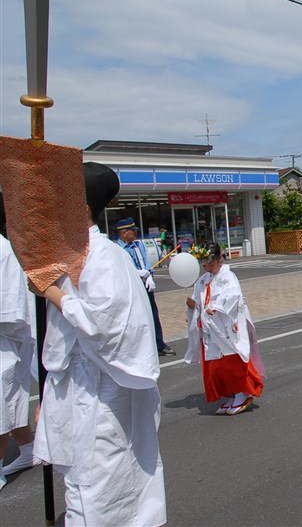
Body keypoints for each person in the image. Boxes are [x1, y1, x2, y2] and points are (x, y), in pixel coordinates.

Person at [33, 162, 166, 526]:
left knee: (98, 481)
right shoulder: (70, 253)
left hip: (100, 386)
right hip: (74, 384)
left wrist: (53, 293)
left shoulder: (104, 255)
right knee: (81, 479)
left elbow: (103, 323)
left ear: (83, 207)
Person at [186, 243, 265, 415]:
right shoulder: (203, 279)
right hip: (210, 328)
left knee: (232, 361)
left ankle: (242, 393)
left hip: (225, 327)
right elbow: (198, 298)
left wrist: (218, 307)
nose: (207, 267)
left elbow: (234, 296)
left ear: (220, 258)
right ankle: (230, 394)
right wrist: (193, 305)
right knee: (216, 365)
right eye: (205, 265)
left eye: (211, 264)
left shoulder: (228, 276)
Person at [0, 195, 40, 490]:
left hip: (6, 342)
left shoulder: (3, 251)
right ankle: (27, 451)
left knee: (4, 406)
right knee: (11, 405)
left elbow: (12, 312)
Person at [116, 218, 175, 356]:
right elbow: (120, 270)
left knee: (153, 315)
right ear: (124, 233)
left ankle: (159, 344)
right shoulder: (117, 250)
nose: (135, 233)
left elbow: (146, 263)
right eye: (133, 231)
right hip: (130, 289)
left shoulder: (138, 245)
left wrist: (149, 276)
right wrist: (136, 273)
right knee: (134, 318)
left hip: (145, 286)